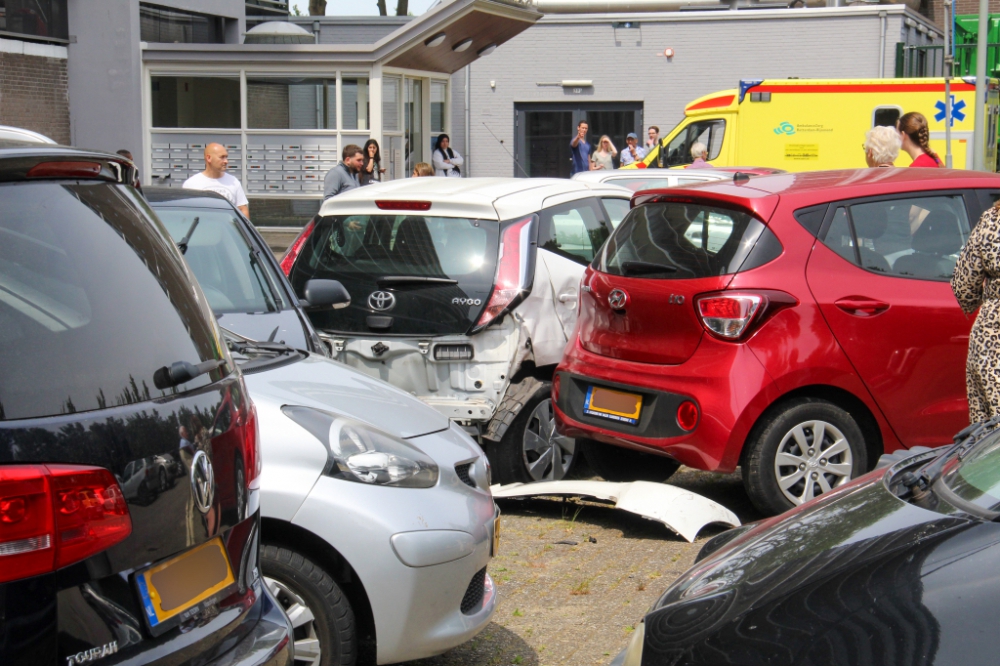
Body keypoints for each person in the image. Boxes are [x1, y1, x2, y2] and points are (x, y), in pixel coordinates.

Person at [952, 201, 1000, 422]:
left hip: (991, 335)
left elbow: (964, 283)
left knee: (987, 429)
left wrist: (982, 302)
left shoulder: (992, 218)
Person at [183, 143, 249, 218]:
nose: (226, 161)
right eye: (222, 157)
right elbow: (185, 213)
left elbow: (242, 209)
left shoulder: (233, 181)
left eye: (226, 157)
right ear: (209, 158)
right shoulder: (191, 184)